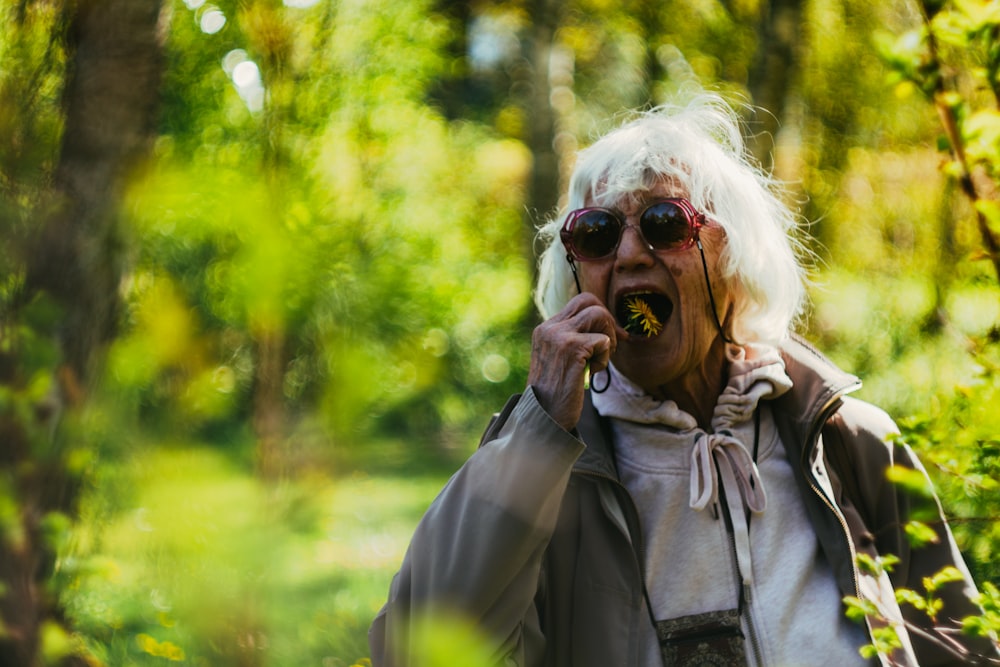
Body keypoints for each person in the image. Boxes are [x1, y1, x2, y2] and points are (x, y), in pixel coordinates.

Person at [368, 92, 998, 666]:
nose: (631, 253)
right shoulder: (551, 477)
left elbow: (960, 645)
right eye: (598, 233)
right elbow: (417, 651)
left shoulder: (843, 440)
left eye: (667, 224)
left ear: (733, 255)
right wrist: (536, 436)